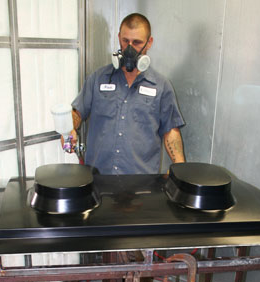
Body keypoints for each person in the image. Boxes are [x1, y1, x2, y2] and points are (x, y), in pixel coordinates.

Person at [69, 13, 185, 174]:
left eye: (137, 42)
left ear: (149, 43)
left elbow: (171, 131)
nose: (129, 48)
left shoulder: (161, 86)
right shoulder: (98, 79)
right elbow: (78, 111)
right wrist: (69, 128)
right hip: (99, 180)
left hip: (141, 185)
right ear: (119, 38)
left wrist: (179, 169)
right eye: (125, 41)